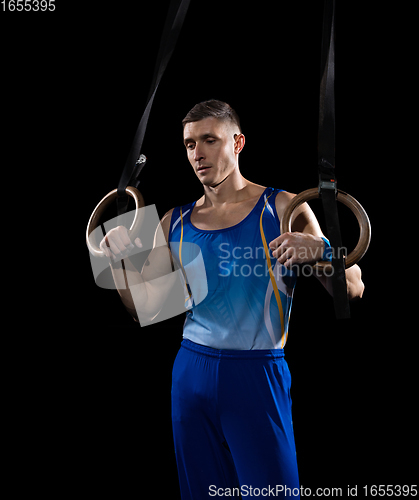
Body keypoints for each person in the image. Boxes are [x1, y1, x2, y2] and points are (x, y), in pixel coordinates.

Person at [99, 100, 364, 499]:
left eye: (209, 140)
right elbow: (146, 310)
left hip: (256, 374)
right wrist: (121, 264)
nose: (198, 153)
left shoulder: (283, 208)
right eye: (190, 144)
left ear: (237, 142)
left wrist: (323, 252)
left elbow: (354, 288)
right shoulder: (174, 222)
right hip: (191, 371)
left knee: (273, 494)